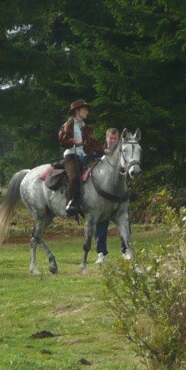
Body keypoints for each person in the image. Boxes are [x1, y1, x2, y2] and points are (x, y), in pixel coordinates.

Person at [58, 99, 104, 216]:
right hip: (71, 156)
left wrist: (104, 150)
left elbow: (92, 142)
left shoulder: (84, 127)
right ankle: (70, 203)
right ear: (77, 111)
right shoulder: (68, 124)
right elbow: (62, 140)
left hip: (84, 156)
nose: (87, 111)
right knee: (74, 176)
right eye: (85, 109)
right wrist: (74, 141)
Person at [94, 128, 128, 262]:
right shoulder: (100, 150)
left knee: (125, 222)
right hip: (102, 195)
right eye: (111, 138)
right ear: (106, 138)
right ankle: (102, 253)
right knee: (101, 223)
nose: (113, 141)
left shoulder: (122, 153)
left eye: (115, 139)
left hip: (118, 196)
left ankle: (126, 250)